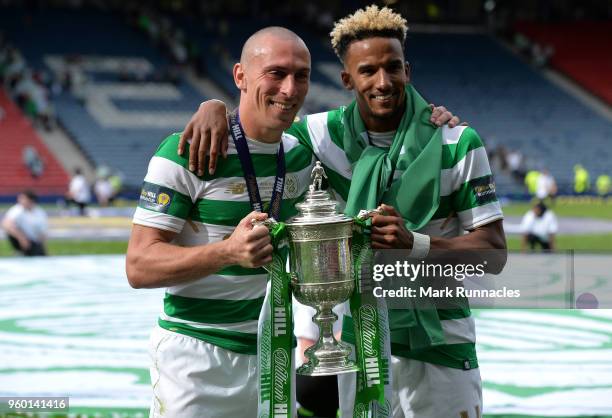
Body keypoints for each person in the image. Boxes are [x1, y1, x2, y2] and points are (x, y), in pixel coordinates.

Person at [176, 5, 507, 418]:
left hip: (440, 345)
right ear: (348, 79)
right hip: (363, 347)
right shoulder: (318, 136)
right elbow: (258, 122)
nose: (383, 82)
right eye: (368, 71)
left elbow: (493, 254)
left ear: (408, 69)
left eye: (393, 67)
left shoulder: (457, 142)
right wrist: (214, 107)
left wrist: (416, 244)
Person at [126, 27, 316, 418]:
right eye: (276, 73)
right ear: (240, 77)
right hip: (195, 358)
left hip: (273, 354)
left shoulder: (302, 156)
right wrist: (228, 252)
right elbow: (138, 266)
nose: (290, 88)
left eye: (302, 75)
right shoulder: (186, 152)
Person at [1, 190, 48, 256]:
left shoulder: (40, 213)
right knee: (11, 229)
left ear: (30, 200)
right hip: (22, 240)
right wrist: (21, 237)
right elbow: (6, 224)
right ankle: (20, 251)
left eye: (23, 198)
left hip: (34, 242)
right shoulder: (17, 210)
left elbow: (42, 234)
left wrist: (42, 248)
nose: (19, 200)